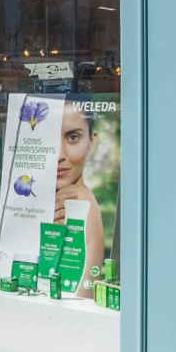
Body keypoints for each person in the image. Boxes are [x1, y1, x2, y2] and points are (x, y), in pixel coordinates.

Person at [54, 100, 105, 291]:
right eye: (49, 138)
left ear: (91, 142)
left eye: (73, 137)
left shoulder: (80, 201)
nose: (59, 154)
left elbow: (84, 295)